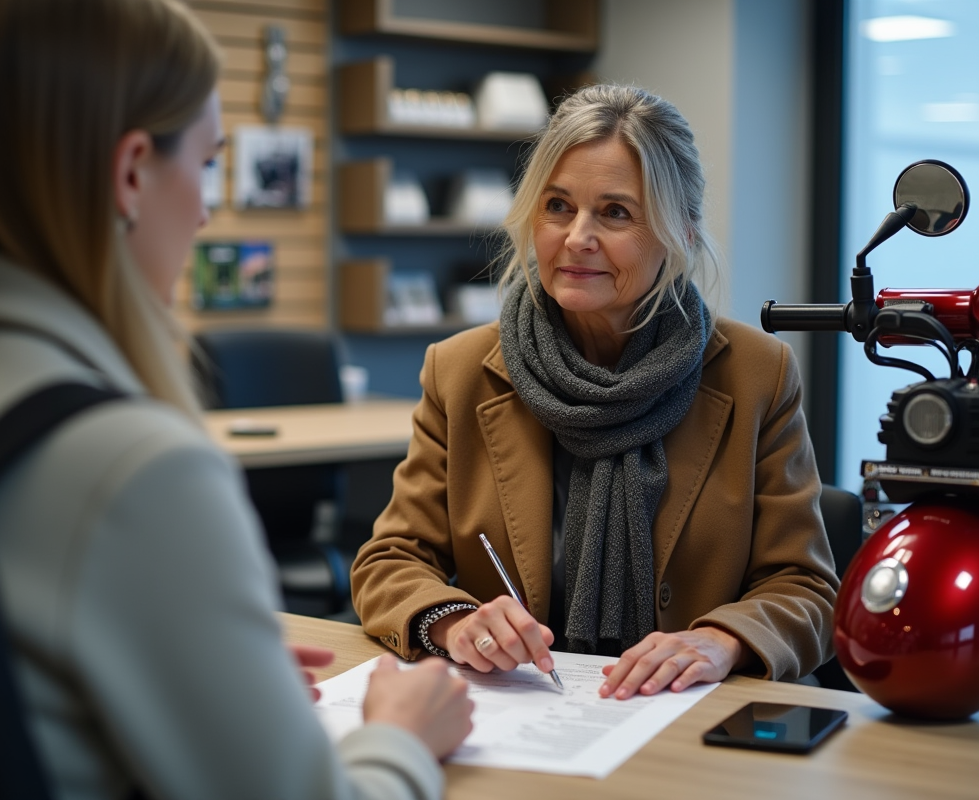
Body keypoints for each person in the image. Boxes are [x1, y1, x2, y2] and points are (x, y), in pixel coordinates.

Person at [0, 0, 473, 798]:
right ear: (130, 173)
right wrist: (399, 736)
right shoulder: (134, 469)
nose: (199, 209)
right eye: (203, 164)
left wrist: (204, 672)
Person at [350, 83, 840, 701]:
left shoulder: (756, 373)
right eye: (557, 206)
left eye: (615, 213)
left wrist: (723, 639)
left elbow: (806, 588)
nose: (577, 237)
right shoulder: (461, 369)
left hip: (683, 717)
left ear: (681, 233)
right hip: (529, 714)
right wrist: (453, 621)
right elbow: (389, 559)